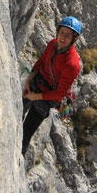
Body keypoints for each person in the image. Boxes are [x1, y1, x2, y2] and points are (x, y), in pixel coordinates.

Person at [22, 16, 81, 155]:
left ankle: (19, 156)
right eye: (61, 32)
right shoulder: (52, 44)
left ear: (74, 39)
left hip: (48, 97)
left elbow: (59, 93)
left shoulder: (72, 64)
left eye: (68, 35)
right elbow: (41, 61)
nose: (63, 37)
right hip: (37, 83)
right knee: (17, 111)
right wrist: (28, 80)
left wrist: (34, 96)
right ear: (57, 32)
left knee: (26, 132)